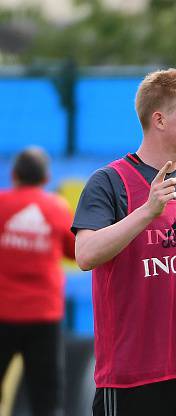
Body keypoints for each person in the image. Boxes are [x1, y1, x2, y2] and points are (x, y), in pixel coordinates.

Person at [72, 68, 176, 416]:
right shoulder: (109, 181)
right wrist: (146, 212)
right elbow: (85, 255)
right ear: (159, 120)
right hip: (134, 375)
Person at [0, 147, 76, 416]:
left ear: (14, 174)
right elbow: (76, 252)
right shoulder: (56, 208)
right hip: (44, 316)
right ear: (46, 179)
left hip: (2, 312)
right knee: (46, 400)